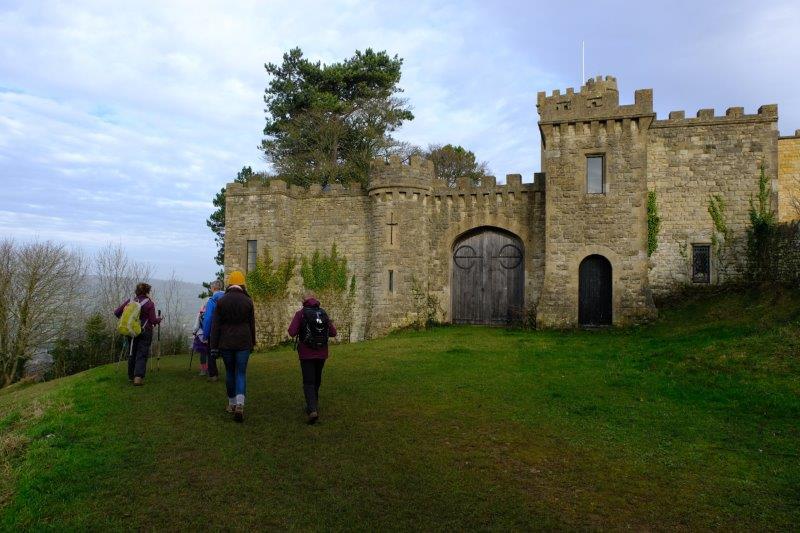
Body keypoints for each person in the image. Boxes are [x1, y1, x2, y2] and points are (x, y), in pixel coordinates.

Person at [210, 271, 255, 422]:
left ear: (229, 284)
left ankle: (231, 404)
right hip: (244, 341)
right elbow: (252, 324)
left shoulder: (221, 301)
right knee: (241, 372)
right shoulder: (248, 301)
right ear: (242, 284)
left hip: (226, 342)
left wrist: (214, 346)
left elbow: (215, 326)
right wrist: (253, 342)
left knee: (230, 372)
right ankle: (240, 404)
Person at [287, 292, 337, 424]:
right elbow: (333, 332)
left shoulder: (301, 314)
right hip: (322, 352)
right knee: (317, 379)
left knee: (308, 381)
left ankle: (312, 409)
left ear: (303, 301)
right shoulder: (323, 313)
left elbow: (291, 332)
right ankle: (314, 404)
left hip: (306, 353)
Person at [114, 282, 162, 386]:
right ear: (147, 291)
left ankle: (131, 377)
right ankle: (138, 378)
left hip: (131, 331)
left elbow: (117, 312)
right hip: (145, 331)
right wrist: (159, 319)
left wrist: (127, 318)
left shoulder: (131, 301)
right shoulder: (149, 303)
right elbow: (153, 320)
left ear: (136, 291)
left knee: (132, 353)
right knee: (142, 354)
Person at [200, 280, 224, 381]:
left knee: (211, 353)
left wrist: (205, 335)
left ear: (213, 288)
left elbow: (208, 319)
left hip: (214, 332)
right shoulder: (227, 298)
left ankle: (213, 375)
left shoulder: (211, 301)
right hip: (226, 331)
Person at [191, 302, 209, 376]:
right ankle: (211, 369)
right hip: (210, 335)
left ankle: (203, 370)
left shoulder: (201, 313)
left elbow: (196, 325)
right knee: (209, 353)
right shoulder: (213, 312)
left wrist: (194, 332)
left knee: (203, 353)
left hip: (201, 335)